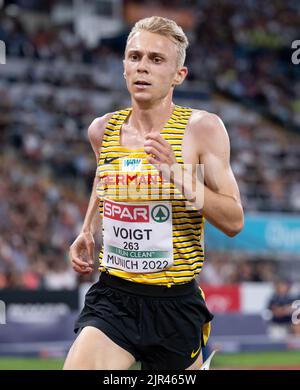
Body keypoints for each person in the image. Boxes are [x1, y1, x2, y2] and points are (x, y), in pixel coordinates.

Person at [63, 16, 244, 370]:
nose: (142, 67)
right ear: (124, 67)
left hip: (175, 304)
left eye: (156, 60)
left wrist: (178, 175)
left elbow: (234, 220)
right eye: (135, 57)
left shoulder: (202, 129)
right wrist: (87, 229)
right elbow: (105, 178)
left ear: (179, 75)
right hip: (114, 297)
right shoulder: (103, 130)